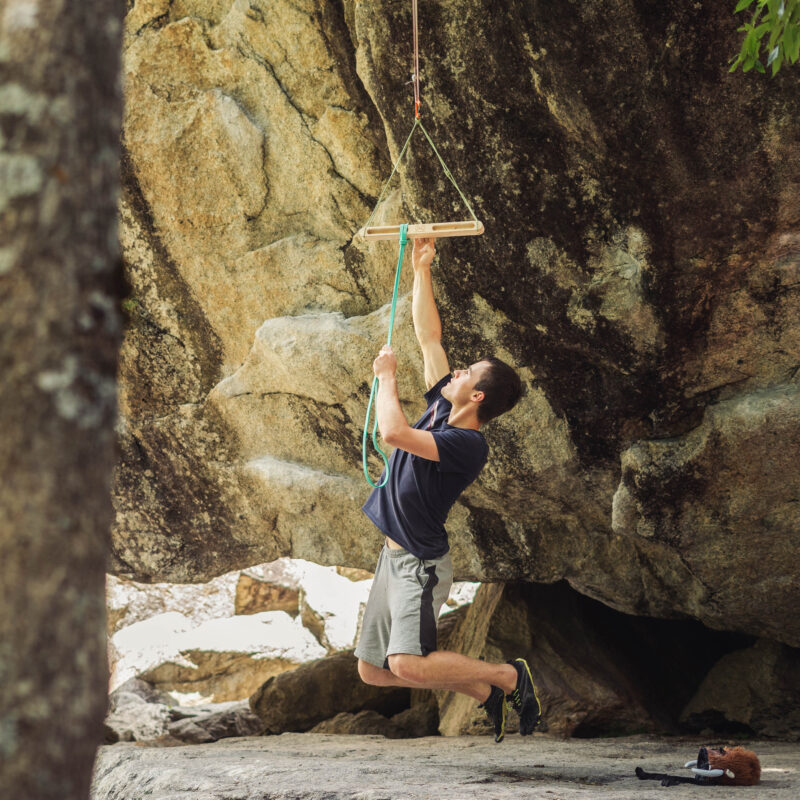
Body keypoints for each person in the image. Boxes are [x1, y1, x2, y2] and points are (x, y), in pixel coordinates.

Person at [354, 236, 541, 743]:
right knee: (374, 671)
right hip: (391, 557)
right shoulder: (443, 405)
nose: (454, 371)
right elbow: (428, 336)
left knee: (408, 664)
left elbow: (393, 433)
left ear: (476, 395)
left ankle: (507, 676)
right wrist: (422, 270)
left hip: (419, 561)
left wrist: (385, 380)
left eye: (465, 373)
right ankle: (486, 694)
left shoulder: (466, 444)